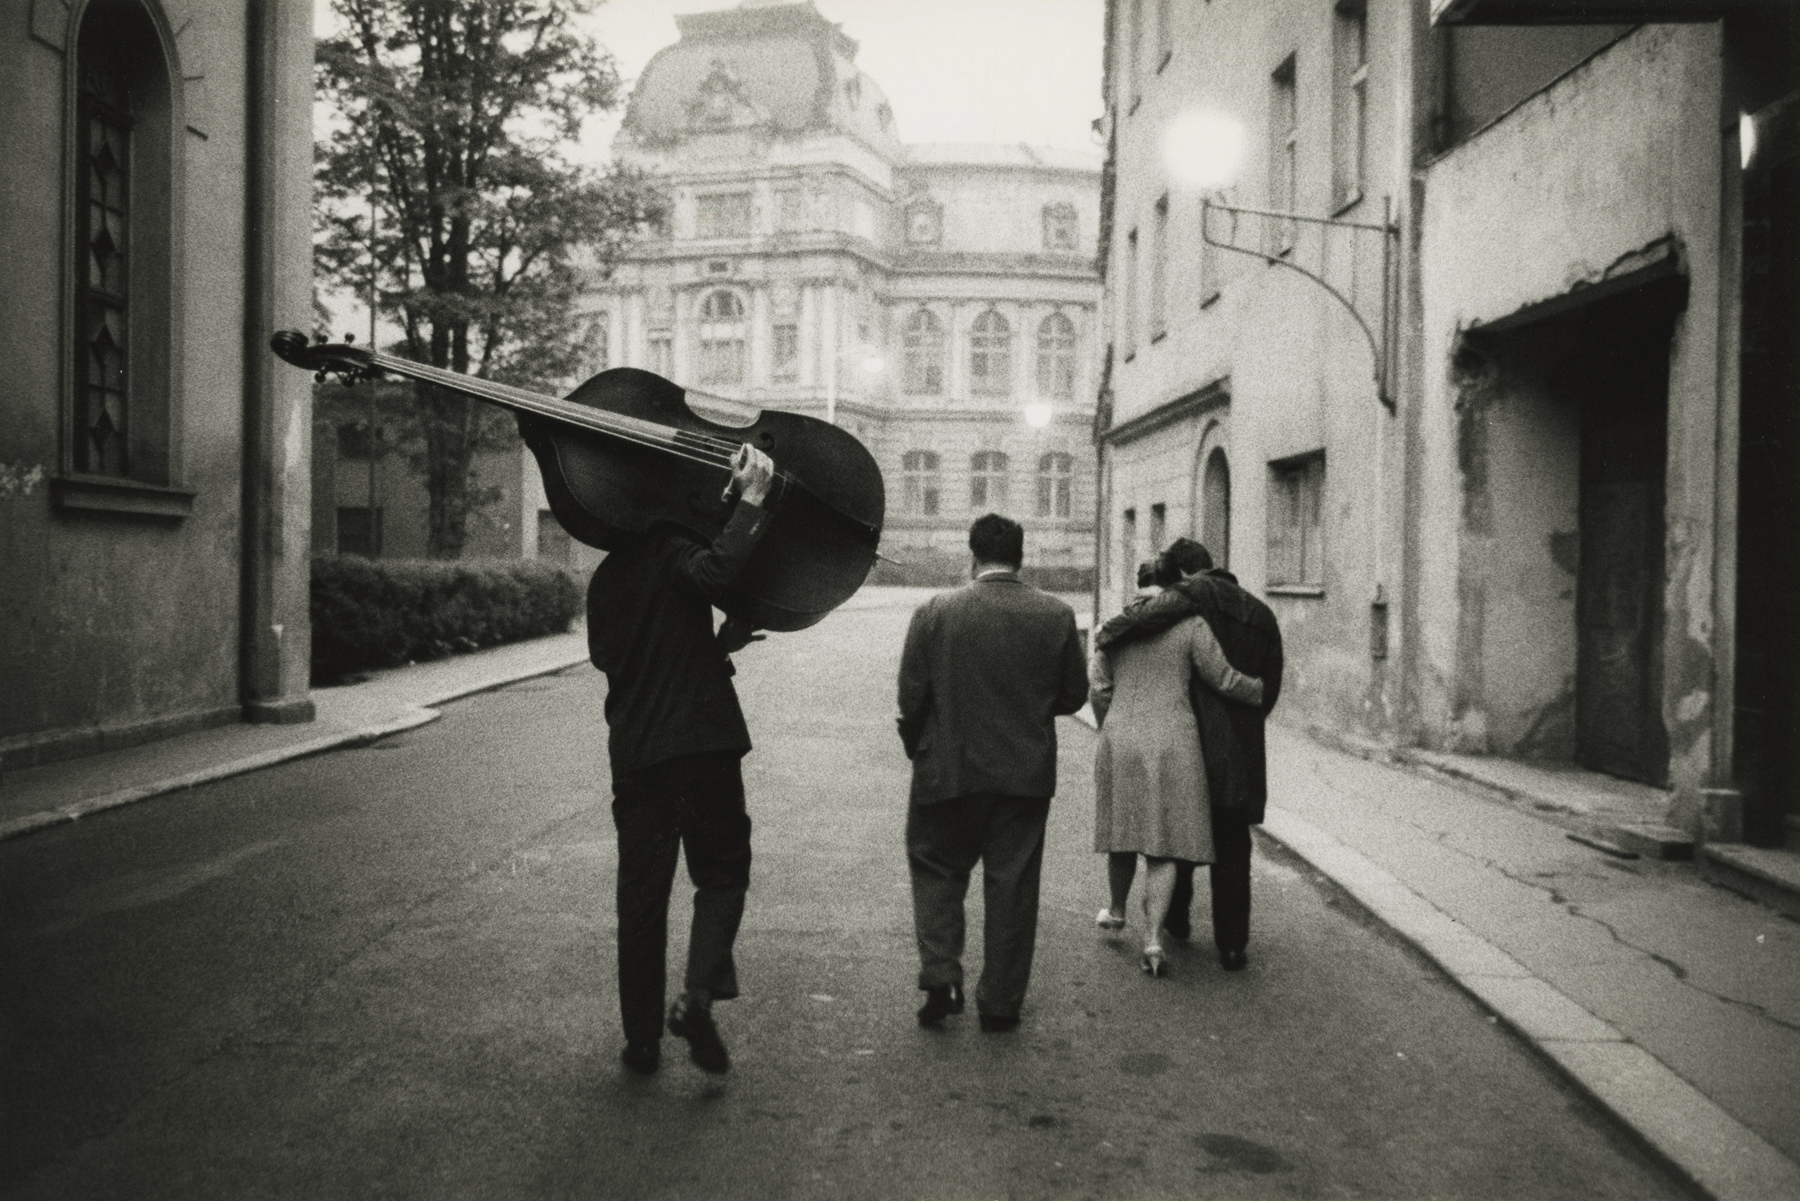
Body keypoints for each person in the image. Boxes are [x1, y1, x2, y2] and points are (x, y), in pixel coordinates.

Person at [584, 442, 776, 1077]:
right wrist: (750, 500)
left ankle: (641, 1041)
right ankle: (695, 997)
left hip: (637, 756)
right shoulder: (672, 552)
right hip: (703, 747)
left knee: (640, 898)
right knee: (721, 874)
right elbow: (717, 574)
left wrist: (715, 645)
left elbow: (631, 661)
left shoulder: (605, 581)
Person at [896, 513, 1089, 1032]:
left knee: (936, 869)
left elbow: (911, 699)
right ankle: (1000, 1005)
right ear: (1021, 558)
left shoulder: (936, 611)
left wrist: (920, 749)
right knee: (1013, 888)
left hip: (948, 769)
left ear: (972, 555)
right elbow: (1074, 695)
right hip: (1023, 775)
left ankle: (941, 975)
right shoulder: (1056, 614)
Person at [1096, 537, 1284, 972]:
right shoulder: (1261, 612)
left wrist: (1108, 634)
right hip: (1236, 745)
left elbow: (1129, 640)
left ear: (1179, 576)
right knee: (1233, 843)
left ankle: (1171, 922)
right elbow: (1259, 682)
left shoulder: (1186, 599)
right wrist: (1253, 709)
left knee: (1171, 835)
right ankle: (1232, 945)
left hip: (1182, 736)